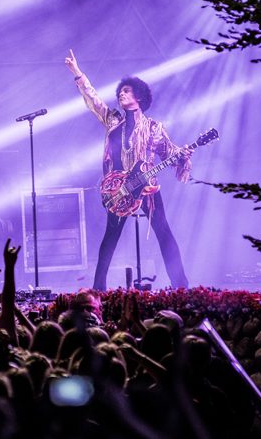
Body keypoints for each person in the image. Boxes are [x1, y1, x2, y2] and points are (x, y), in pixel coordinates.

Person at [65, 49, 192, 290]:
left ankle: (181, 287)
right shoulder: (113, 120)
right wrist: (78, 73)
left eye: (127, 91)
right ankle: (98, 291)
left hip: (147, 187)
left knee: (164, 233)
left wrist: (184, 156)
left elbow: (170, 153)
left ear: (140, 97)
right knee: (110, 239)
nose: (121, 94)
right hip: (119, 188)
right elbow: (94, 101)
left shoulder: (155, 128)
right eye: (120, 92)